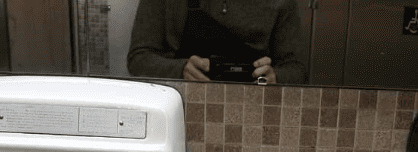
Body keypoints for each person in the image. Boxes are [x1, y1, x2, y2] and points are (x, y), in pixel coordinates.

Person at [127, 0, 306, 84]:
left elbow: (297, 70)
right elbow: (138, 59)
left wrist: (275, 77)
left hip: (254, 113)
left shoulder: (281, 3)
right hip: (178, 111)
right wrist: (181, 70)